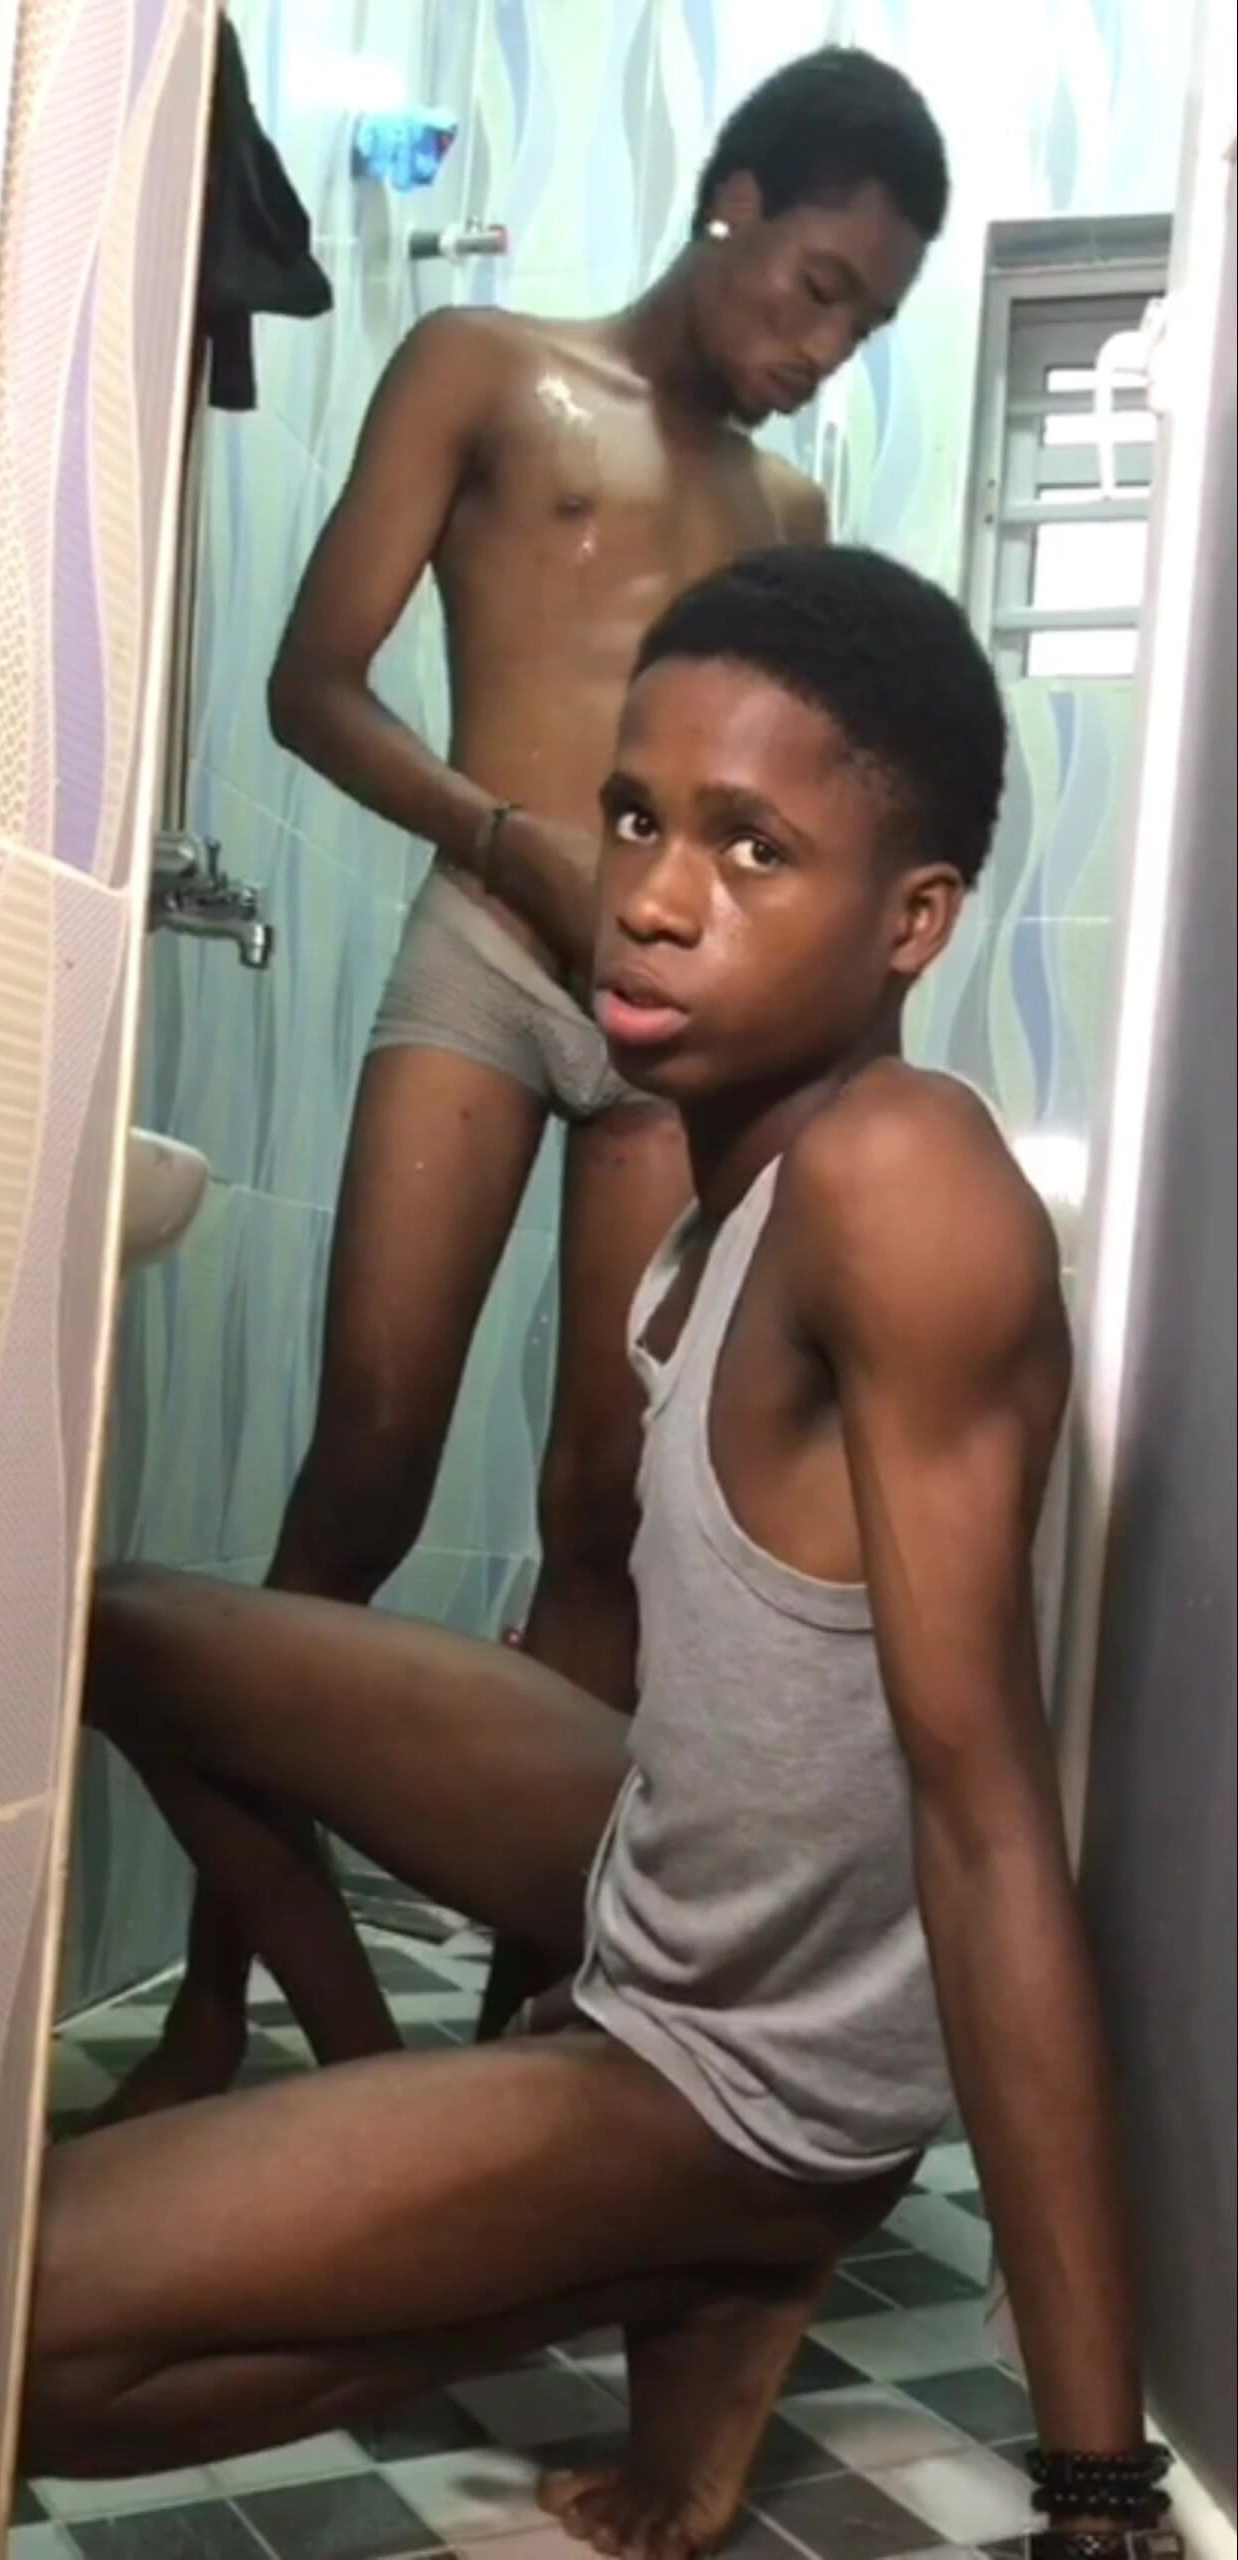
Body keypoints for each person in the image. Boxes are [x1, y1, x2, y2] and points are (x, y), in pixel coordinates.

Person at [25, 548, 1178, 2560]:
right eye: (636, 817)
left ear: (911, 922)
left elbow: (989, 1826)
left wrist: (1097, 2491)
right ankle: (415, 2107)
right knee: (126, 1630)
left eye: (752, 849)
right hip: (662, 1866)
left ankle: (699, 2238)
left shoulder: (898, 1175)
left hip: (745, 2067)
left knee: (7, 2315)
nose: (648, 892)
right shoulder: (717, 1179)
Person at [111, 47, 956, 2118]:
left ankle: (531, 2044)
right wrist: (515, 844)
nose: (822, 349)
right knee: (367, 1464)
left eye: (865, 325)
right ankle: (227, 1996)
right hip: (489, 953)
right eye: (819, 287)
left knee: (604, 1509)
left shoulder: (788, 514)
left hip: (676, 1028)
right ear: (735, 200)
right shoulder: (485, 367)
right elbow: (310, 685)